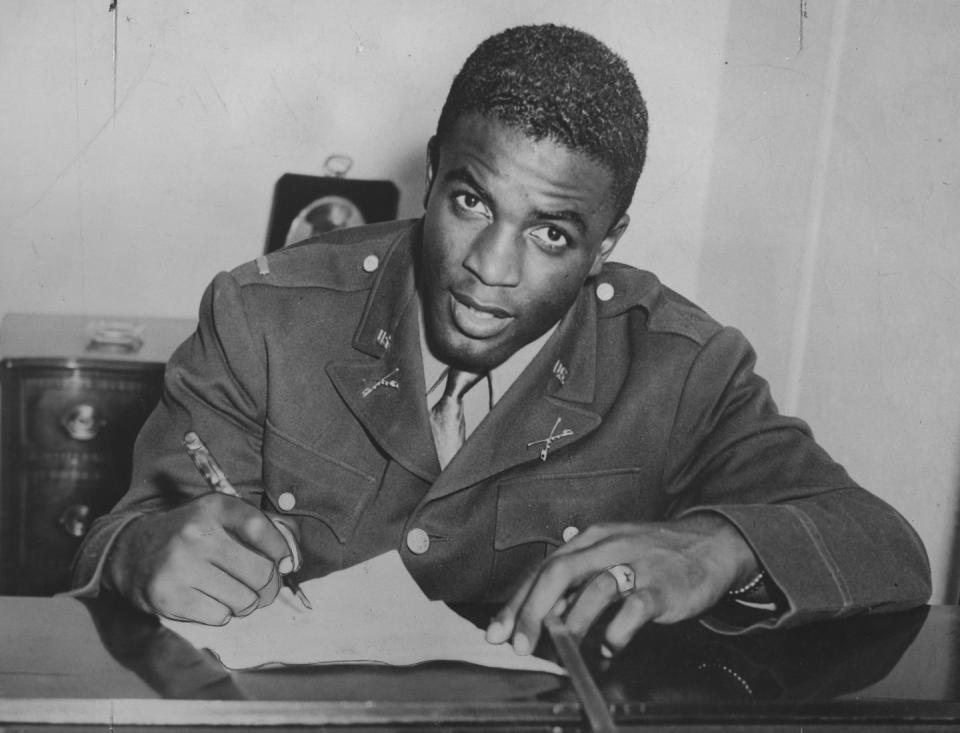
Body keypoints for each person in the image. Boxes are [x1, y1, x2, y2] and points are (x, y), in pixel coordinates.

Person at [71, 24, 930, 658]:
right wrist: (139, 550)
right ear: (435, 169)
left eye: (551, 233)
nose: (489, 267)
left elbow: (886, 545)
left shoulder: (682, 367)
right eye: (471, 202)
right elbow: (128, 532)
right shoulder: (263, 316)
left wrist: (717, 546)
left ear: (608, 241)